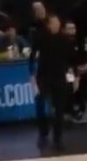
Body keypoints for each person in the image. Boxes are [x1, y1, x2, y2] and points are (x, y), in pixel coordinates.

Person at [29, 14, 77, 152]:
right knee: (41, 104)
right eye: (54, 23)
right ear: (48, 24)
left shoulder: (64, 40)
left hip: (59, 76)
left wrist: (73, 77)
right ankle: (43, 132)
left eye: (58, 22)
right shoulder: (40, 38)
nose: (57, 25)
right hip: (43, 76)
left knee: (59, 109)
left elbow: (71, 61)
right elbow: (32, 57)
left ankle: (58, 139)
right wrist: (32, 74)